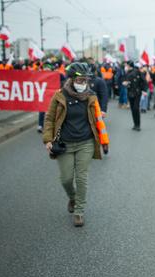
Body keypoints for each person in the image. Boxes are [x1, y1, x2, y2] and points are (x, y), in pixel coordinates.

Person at [42, 63, 109, 227]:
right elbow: (49, 119)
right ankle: (72, 198)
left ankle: (79, 211)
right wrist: (48, 139)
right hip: (64, 144)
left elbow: (98, 120)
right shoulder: (59, 96)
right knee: (66, 179)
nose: (83, 83)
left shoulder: (91, 97)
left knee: (81, 178)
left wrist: (104, 141)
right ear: (71, 79)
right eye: (80, 79)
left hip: (85, 143)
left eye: (86, 80)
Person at [123, 61, 147, 131]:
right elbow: (126, 81)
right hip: (130, 92)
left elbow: (144, 81)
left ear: (129, 65)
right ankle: (135, 124)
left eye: (126, 65)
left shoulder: (137, 72)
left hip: (137, 92)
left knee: (136, 108)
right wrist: (125, 83)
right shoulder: (127, 73)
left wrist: (144, 90)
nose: (126, 67)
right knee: (132, 109)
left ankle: (138, 125)